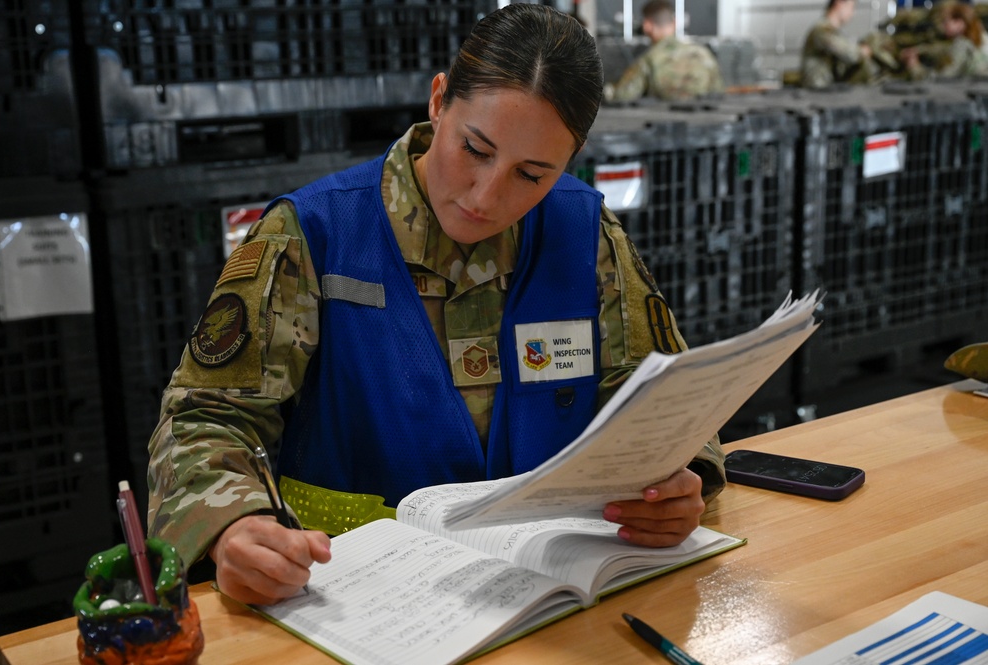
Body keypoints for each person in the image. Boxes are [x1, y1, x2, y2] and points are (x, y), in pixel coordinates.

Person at [147, 3, 727, 607]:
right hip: (354, 602)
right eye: (475, 148)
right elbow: (202, 419)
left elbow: (667, 397)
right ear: (438, 99)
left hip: (553, 600)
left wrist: (681, 482)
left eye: (531, 174)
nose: (486, 195)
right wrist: (233, 526)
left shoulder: (585, 234)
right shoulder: (315, 235)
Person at [604, 0, 724, 102]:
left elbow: (623, 95)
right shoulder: (704, 54)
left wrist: (604, 90)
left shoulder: (648, 60)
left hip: (664, 125)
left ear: (647, 25)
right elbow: (718, 92)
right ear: (674, 23)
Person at [898, 1, 988, 80]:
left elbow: (942, 79)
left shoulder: (962, 44)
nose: (943, 27)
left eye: (946, 22)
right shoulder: (981, 37)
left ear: (959, 22)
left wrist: (914, 66)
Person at [800, 0, 877, 89]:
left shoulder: (830, 31)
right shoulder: (821, 30)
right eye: (851, 7)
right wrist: (863, 51)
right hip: (817, 91)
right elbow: (851, 54)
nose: (852, 13)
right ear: (839, 3)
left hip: (825, 91)